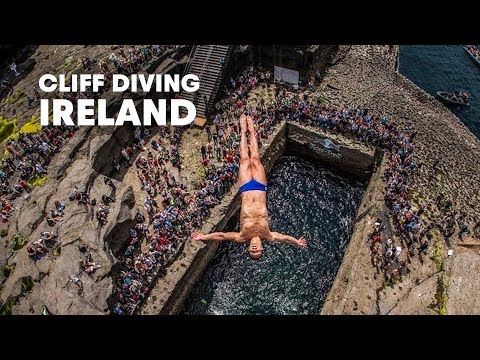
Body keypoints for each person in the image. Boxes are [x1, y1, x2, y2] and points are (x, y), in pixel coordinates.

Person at [191, 115, 306, 260]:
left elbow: (221, 235)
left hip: (245, 188)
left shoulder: (241, 236)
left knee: (245, 158)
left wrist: (204, 236)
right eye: (257, 252)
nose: (254, 250)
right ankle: (251, 130)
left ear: (248, 249)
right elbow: (284, 238)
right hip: (260, 188)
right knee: (256, 158)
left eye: (252, 252)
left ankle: (243, 129)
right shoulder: (268, 235)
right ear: (262, 248)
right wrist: (297, 242)